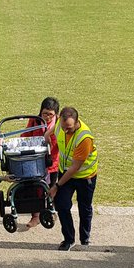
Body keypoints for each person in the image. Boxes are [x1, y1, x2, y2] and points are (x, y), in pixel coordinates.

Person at [49, 107, 99, 251]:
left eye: (69, 128)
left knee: (84, 207)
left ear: (77, 122)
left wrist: (56, 186)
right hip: (65, 172)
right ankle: (69, 239)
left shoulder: (84, 138)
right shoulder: (61, 124)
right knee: (61, 204)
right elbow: (55, 129)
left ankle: (85, 240)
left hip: (84, 176)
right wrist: (47, 134)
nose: (65, 131)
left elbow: (75, 168)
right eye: (63, 127)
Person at [23, 97, 60, 230]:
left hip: (53, 162)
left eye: (51, 114)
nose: (47, 117)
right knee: (35, 188)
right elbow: (25, 136)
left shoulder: (60, 124)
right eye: (45, 113)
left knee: (52, 187)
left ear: (56, 114)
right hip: (36, 160)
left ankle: (51, 211)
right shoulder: (34, 120)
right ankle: (36, 216)